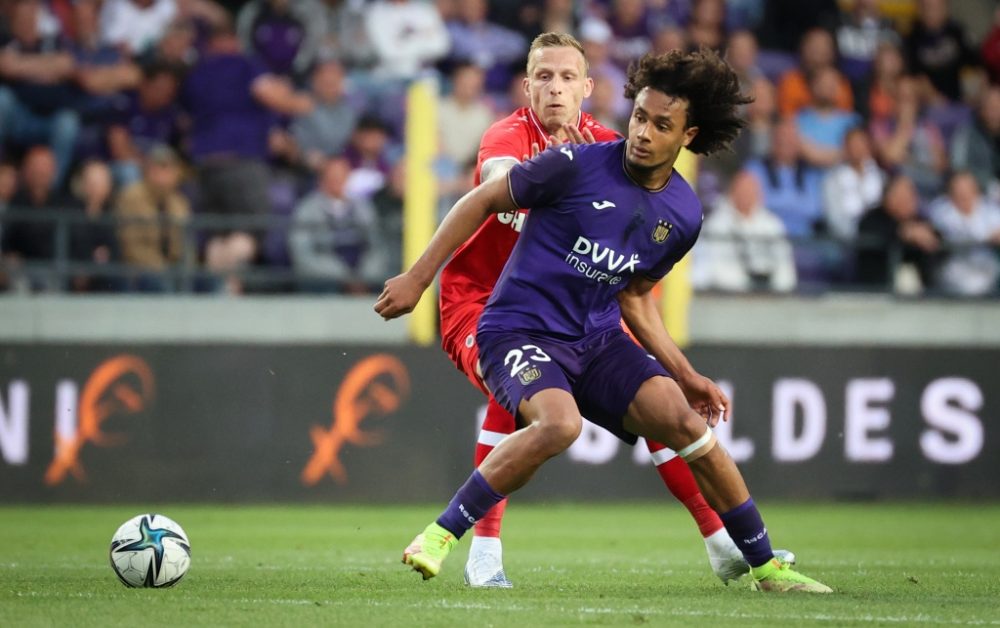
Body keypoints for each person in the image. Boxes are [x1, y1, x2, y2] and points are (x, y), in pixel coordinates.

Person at [376, 48, 829, 593]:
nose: (643, 132)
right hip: (508, 321)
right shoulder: (569, 160)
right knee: (556, 421)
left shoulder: (683, 214)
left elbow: (636, 298)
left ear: (687, 135)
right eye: (639, 117)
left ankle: (758, 563)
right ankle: (454, 539)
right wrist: (418, 278)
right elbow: (487, 193)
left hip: (593, 335)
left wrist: (685, 374)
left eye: (661, 125)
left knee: (682, 421)